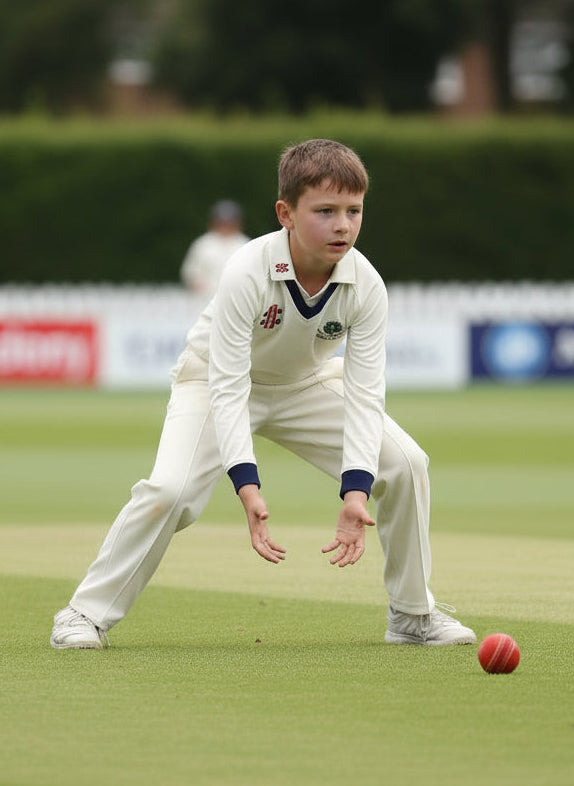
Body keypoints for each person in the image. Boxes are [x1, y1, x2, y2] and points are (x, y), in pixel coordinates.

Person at [50, 139, 476, 650]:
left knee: (407, 464)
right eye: (325, 211)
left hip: (307, 383)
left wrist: (355, 491)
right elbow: (229, 387)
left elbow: (365, 395)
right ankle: (82, 614)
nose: (343, 225)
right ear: (286, 213)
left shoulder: (367, 285)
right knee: (171, 493)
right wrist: (247, 487)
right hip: (214, 380)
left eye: (353, 211)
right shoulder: (247, 270)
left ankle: (411, 614)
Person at [180, 199, 249, 301]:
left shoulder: (245, 244)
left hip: (237, 302)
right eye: (222, 221)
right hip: (203, 302)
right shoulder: (202, 244)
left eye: (230, 221)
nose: (226, 225)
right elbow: (190, 272)